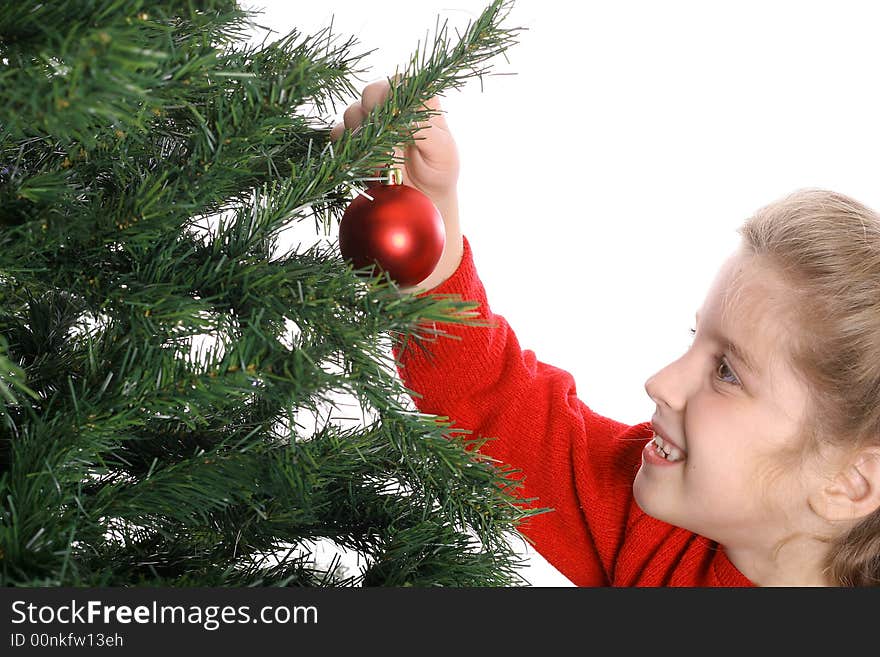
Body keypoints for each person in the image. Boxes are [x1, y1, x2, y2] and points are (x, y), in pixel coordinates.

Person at [330, 77, 880, 586]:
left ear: (849, 481)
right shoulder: (654, 525)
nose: (660, 383)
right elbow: (499, 406)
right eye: (695, 340)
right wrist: (429, 223)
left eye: (727, 372)